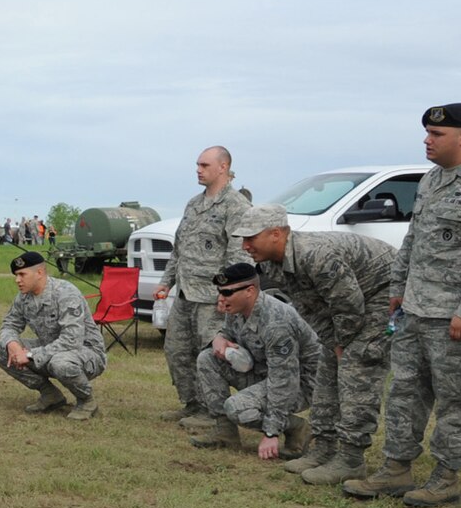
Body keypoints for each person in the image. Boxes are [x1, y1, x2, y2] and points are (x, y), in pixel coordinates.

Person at [345, 104, 461, 507]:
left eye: (436, 134)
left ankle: (446, 476)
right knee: (405, 391)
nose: (428, 140)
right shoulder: (431, 180)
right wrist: (398, 286)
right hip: (416, 308)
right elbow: (414, 239)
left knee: (454, 398)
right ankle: (396, 468)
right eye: (427, 133)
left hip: (456, 317)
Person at [234, 203, 395, 485]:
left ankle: (351, 458)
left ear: (275, 234)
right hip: (349, 304)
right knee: (327, 369)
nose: (245, 245)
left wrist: (343, 342)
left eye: (251, 237)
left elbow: (349, 304)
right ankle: (323, 448)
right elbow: (309, 307)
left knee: (358, 370)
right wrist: (331, 342)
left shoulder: (315, 255)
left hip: (381, 294)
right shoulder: (273, 263)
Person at [161, 147, 254, 428]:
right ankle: (191, 403)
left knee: (208, 354)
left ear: (223, 167)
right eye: (197, 165)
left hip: (212, 297)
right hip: (186, 292)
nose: (198, 170)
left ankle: (211, 411)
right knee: (176, 349)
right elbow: (179, 248)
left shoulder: (235, 206)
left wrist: (227, 294)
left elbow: (238, 255)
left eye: (204, 165)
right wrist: (167, 283)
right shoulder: (193, 204)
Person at [188, 262, 318, 456]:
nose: (221, 298)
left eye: (227, 293)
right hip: (265, 372)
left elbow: (283, 381)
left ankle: (296, 428)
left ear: (249, 291)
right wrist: (219, 338)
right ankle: (225, 432)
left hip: (300, 384)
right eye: (220, 292)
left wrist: (271, 432)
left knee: (236, 408)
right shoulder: (238, 308)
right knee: (207, 358)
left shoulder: (276, 322)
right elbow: (227, 332)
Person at [0, 250, 106, 420]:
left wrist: (29, 354)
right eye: (16, 275)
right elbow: (9, 324)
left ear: (39, 273)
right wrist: (13, 345)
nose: (17, 280)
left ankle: (86, 401)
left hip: (86, 353)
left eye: (22, 274)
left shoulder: (66, 293)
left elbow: (71, 340)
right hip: (50, 350)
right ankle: (50, 395)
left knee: (60, 362)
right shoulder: (23, 297)